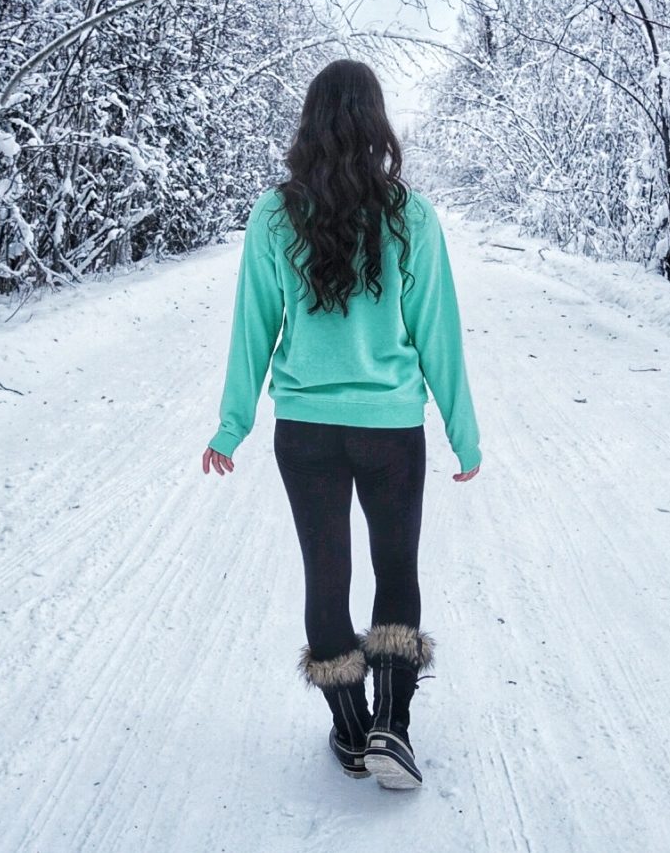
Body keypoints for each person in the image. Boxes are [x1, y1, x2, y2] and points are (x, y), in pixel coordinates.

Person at [200, 59, 481, 790]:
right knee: (396, 568)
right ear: (375, 123)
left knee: (326, 575)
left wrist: (230, 426)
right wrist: (464, 432)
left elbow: (252, 329)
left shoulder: (274, 214)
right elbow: (438, 332)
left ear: (311, 124)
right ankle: (393, 724)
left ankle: (352, 733)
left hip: (307, 430)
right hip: (390, 427)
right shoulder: (408, 215)